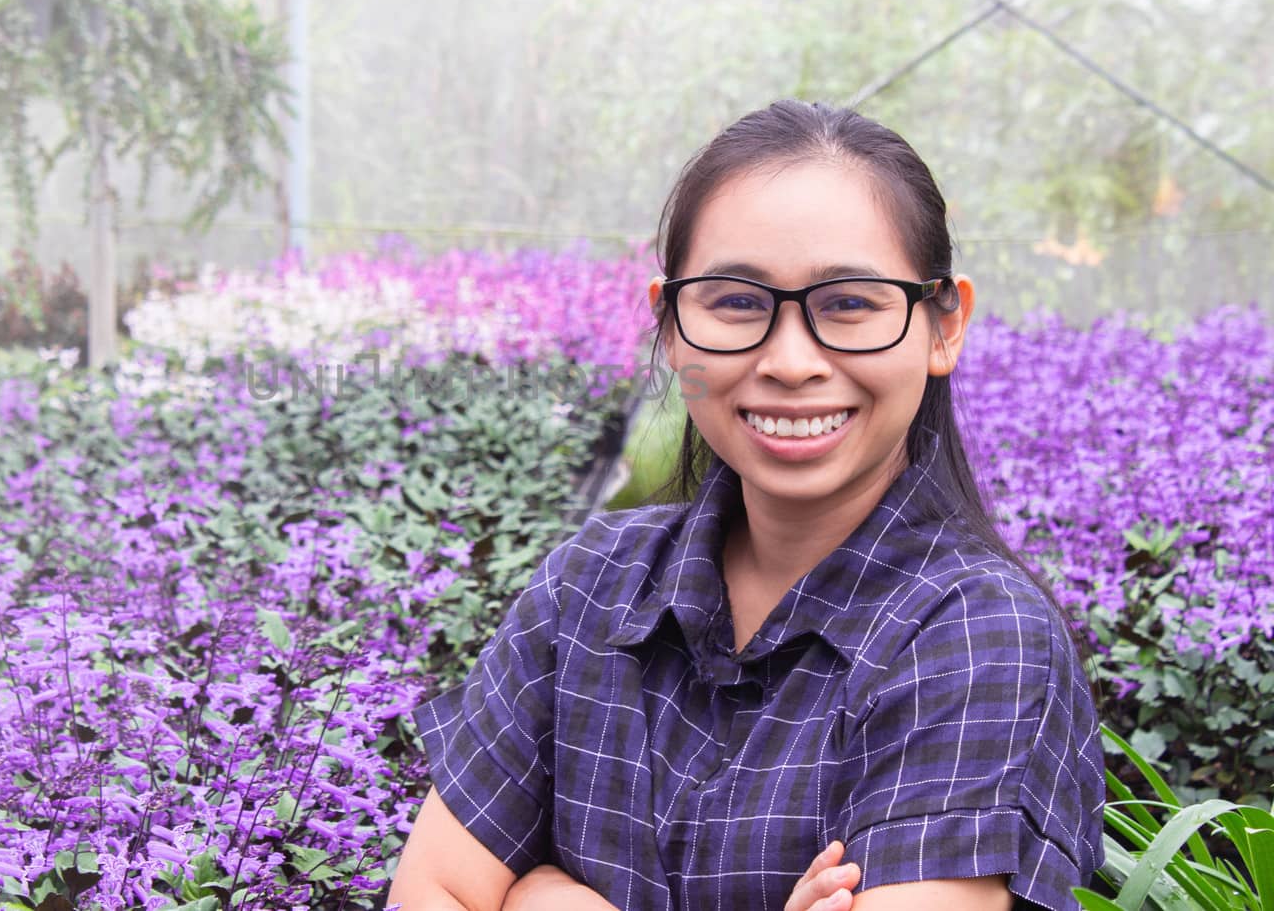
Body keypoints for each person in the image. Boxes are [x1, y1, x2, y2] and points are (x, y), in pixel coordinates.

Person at [385, 99, 1107, 911]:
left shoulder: (975, 639)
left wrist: (546, 898)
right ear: (670, 327)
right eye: (736, 302)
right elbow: (431, 889)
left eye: (850, 304)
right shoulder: (587, 588)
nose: (791, 361)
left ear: (944, 325)